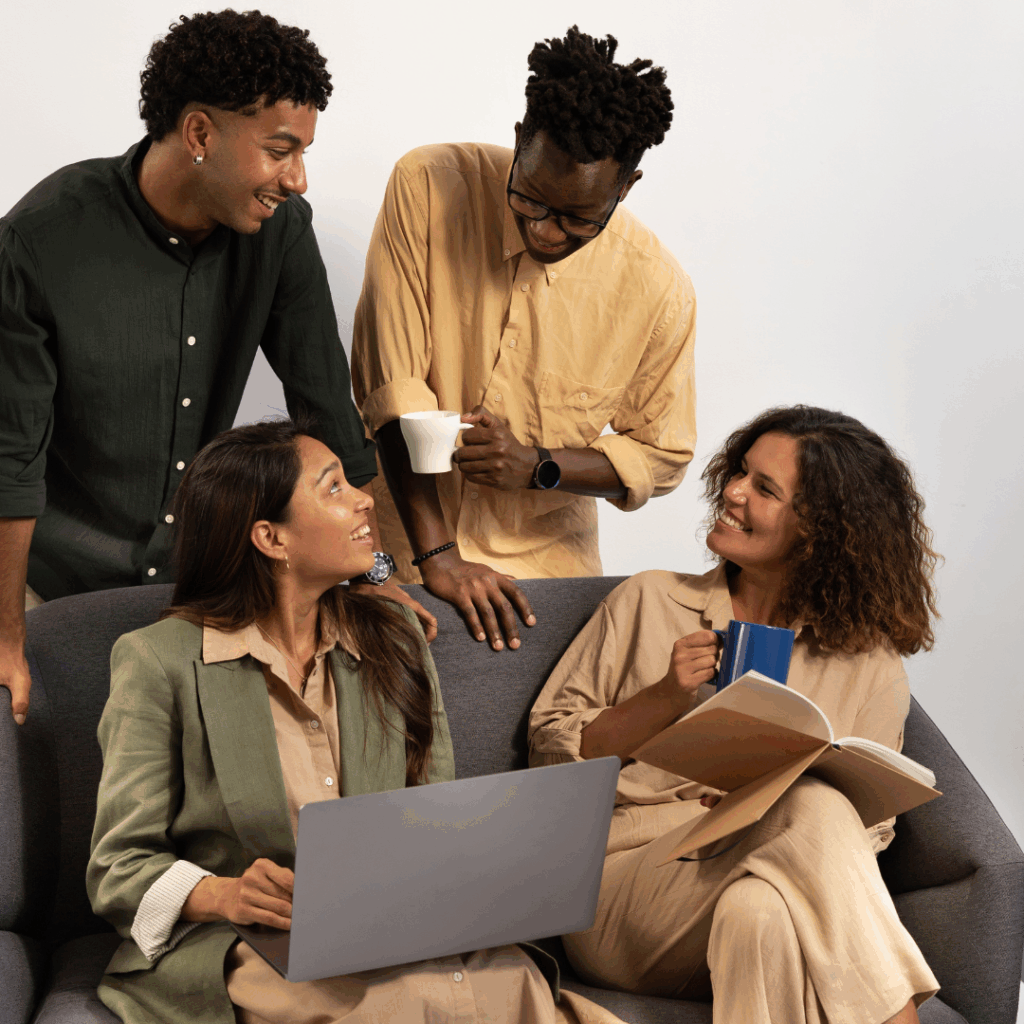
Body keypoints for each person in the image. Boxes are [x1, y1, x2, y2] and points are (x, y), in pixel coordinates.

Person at [86, 418, 625, 1024]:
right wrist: (224, 893)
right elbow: (118, 866)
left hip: (400, 925)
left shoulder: (394, 635)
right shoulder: (159, 660)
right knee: (408, 1005)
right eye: (334, 487)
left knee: (508, 987)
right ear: (271, 538)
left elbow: (437, 813)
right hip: (254, 942)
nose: (366, 497)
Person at [0, 10, 429, 727]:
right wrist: (7, 633)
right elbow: (10, 460)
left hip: (198, 584)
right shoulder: (41, 240)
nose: (296, 178)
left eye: (305, 152)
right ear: (200, 133)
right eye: (280, 149)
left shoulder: (283, 234)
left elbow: (328, 413)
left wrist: (373, 573)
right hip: (48, 584)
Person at [529, 405, 942, 1024]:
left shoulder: (869, 662)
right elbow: (549, 753)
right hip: (622, 891)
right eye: (741, 472)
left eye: (765, 489)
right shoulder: (648, 599)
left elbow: (871, 833)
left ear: (820, 530)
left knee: (762, 912)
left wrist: (756, 814)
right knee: (811, 807)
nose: (733, 491)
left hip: (757, 888)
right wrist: (664, 698)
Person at [351, 26, 696, 653]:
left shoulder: (658, 289)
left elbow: (661, 454)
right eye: (530, 199)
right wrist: (439, 554)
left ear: (626, 187)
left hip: (546, 584)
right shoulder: (428, 184)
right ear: (519, 141)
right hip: (394, 554)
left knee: (546, 747)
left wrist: (540, 464)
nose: (544, 231)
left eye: (578, 220)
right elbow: (391, 392)